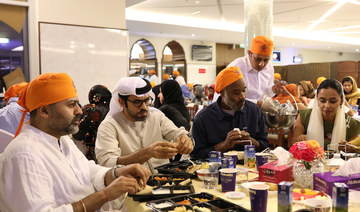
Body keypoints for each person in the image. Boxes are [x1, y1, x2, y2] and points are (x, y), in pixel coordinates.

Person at [0, 73, 150, 212]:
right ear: (44, 111)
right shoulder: (25, 154)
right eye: (71, 105)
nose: (79, 111)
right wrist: (104, 195)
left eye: (77, 104)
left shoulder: (62, 139)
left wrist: (116, 172)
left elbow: (88, 171)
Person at [95, 77, 193, 174]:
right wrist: (146, 153)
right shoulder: (109, 125)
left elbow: (177, 133)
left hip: (164, 180)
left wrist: (185, 139)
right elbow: (107, 163)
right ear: (121, 102)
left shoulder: (156, 116)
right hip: (131, 184)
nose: (144, 107)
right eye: (137, 102)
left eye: (146, 100)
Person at [190, 67, 269, 159]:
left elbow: (266, 146)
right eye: (236, 93)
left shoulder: (254, 111)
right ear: (222, 93)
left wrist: (251, 142)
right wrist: (224, 146)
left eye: (244, 90)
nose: (242, 97)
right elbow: (195, 155)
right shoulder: (203, 118)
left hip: (251, 169)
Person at [291, 79, 360, 151]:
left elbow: (354, 154)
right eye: (322, 101)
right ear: (317, 100)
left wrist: (348, 148)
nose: (327, 106)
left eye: (332, 101)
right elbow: (293, 147)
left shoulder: (351, 124)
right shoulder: (304, 116)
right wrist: (301, 143)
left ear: (341, 101)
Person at [227, 35, 283, 113]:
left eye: (266, 60)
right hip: (234, 112)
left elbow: (267, 92)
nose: (261, 64)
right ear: (250, 53)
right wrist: (258, 104)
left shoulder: (269, 66)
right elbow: (230, 98)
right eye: (258, 59)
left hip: (255, 113)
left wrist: (273, 89)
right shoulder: (237, 67)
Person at [72, 85, 112, 162]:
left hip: (92, 151)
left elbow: (77, 135)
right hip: (110, 147)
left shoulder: (87, 109)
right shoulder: (116, 108)